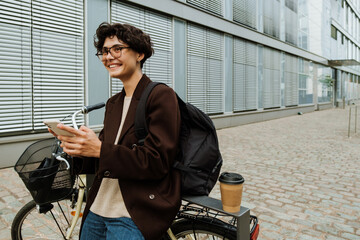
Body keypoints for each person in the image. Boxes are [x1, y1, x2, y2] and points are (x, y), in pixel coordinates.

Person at [51, 22, 182, 240]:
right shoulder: (113, 103)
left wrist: (100, 149)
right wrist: (79, 149)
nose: (108, 56)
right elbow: (105, 158)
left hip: (132, 213)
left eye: (117, 49)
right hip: (97, 208)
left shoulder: (161, 96)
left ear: (139, 54)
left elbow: (157, 161)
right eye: (103, 51)